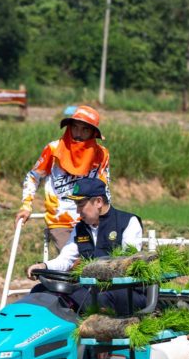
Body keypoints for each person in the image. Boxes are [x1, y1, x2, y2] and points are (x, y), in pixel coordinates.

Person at [26, 177, 143, 315]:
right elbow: (65, 259)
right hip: (90, 289)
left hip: (123, 291)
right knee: (39, 291)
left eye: (81, 205)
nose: (77, 211)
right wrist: (44, 266)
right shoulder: (79, 228)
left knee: (96, 298)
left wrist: (90, 269)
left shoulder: (128, 222)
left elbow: (127, 263)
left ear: (98, 202)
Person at [17, 105, 110, 250]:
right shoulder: (53, 149)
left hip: (91, 219)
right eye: (75, 127)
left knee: (98, 262)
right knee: (72, 262)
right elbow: (33, 177)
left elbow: (104, 187)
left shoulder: (101, 154)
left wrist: (106, 216)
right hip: (61, 219)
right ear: (69, 127)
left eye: (85, 129)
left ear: (93, 132)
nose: (78, 133)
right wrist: (26, 206)